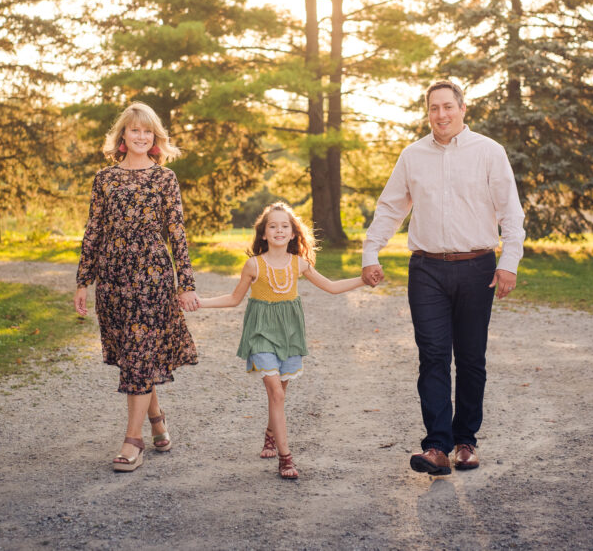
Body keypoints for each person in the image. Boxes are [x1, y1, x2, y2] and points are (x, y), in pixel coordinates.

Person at [361, 80, 525, 475]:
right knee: (432, 356)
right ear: (428, 112)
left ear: (463, 109)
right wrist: (371, 251)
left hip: (477, 268)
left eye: (448, 106)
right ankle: (436, 446)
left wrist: (510, 261)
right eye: (434, 108)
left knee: (470, 358)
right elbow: (390, 207)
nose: (441, 115)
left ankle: (465, 442)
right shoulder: (412, 155)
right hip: (427, 270)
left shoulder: (489, 152)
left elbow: (510, 212)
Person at [74, 102, 201, 473]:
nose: (141, 137)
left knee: (141, 353)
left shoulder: (165, 179)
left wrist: (185, 285)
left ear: (155, 137)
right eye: (134, 131)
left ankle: (134, 441)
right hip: (113, 278)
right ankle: (158, 419)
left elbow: (177, 233)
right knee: (134, 355)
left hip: (152, 277)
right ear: (123, 137)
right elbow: (94, 231)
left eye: (148, 131)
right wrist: (84, 281)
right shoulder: (105, 179)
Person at [197, 202, 368, 479]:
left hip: (289, 334)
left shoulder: (300, 264)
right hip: (261, 332)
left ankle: (269, 433)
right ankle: (286, 459)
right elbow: (233, 299)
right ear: (263, 234)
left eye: (284, 226)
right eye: (272, 226)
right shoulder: (253, 265)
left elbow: (333, 287)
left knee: (280, 394)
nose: (278, 230)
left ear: (293, 234)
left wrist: (364, 280)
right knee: (276, 393)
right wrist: (198, 303)